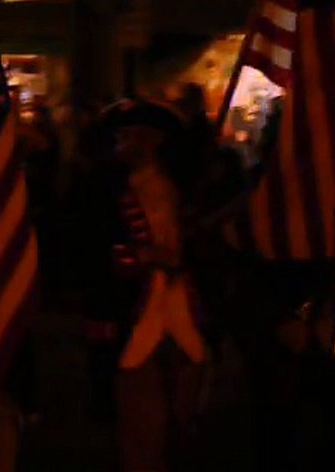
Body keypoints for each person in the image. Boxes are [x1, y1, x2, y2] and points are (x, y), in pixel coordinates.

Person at [80, 99, 209, 472]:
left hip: (184, 319)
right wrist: (143, 258)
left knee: (183, 426)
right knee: (141, 431)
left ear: (154, 140)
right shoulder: (104, 193)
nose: (120, 141)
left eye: (130, 134)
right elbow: (90, 252)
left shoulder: (184, 192)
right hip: (134, 318)